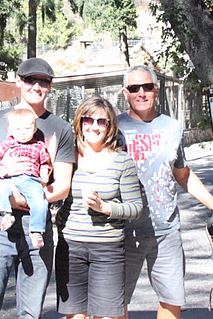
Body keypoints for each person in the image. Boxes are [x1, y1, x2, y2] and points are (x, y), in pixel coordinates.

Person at [118, 65, 213, 319]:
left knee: (171, 300)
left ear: (156, 89)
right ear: (125, 93)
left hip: (166, 231)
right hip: (122, 232)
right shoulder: (112, 127)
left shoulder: (172, 127)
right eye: (134, 88)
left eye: (147, 87)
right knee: (115, 302)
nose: (141, 93)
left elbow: (182, 173)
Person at [0, 57, 74, 319]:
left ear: (50, 86)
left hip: (36, 230)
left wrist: (22, 199)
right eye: (30, 80)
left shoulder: (60, 128)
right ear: (18, 81)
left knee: (30, 312)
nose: (36, 86)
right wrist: (1, 171)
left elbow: (62, 187)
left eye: (43, 82)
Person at [56, 96, 143, 319]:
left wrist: (105, 207)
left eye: (101, 122)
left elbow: (135, 207)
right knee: (76, 315)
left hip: (107, 248)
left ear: (110, 126)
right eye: (88, 120)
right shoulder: (67, 157)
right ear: (79, 122)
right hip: (71, 246)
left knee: (107, 316)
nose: (94, 127)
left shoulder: (122, 161)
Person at [0, 108, 52, 248]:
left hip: (31, 180)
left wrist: (45, 173)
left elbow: (45, 163)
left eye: (27, 128)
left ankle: (36, 231)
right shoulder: (7, 145)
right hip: (8, 178)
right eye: (18, 129)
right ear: (10, 131)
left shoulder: (39, 146)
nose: (22, 132)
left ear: (34, 129)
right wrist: (1, 169)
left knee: (40, 202)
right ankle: (6, 215)